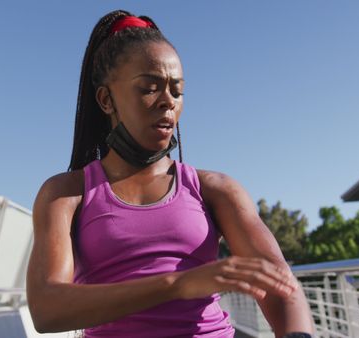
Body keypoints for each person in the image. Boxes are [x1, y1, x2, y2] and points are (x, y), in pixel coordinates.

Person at [27, 9, 314, 338]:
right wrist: (177, 284)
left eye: (177, 91)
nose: (168, 101)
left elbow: (280, 285)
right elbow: (46, 308)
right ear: (107, 99)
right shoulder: (66, 194)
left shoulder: (215, 189)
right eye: (149, 88)